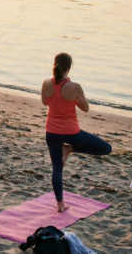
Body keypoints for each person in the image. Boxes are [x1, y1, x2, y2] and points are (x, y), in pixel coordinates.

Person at [41, 53, 112, 212]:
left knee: (57, 168)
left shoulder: (46, 83)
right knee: (106, 149)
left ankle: (60, 205)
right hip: (71, 133)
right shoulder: (75, 87)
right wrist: (72, 99)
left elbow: (45, 102)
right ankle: (70, 148)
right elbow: (85, 108)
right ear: (69, 67)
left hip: (51, 132)